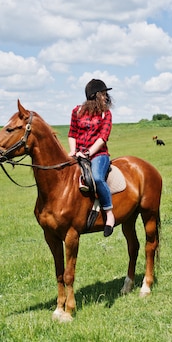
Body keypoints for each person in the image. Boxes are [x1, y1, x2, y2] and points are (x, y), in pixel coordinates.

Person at [68, 79, 116, 236]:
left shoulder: (106, 113)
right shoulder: (77, 111)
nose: (106, 97)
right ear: (96, 95)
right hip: (78, 152)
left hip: (99, 154)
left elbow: (103, 137)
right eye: (103, 94)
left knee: (97, 178)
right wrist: (73, 151)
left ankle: (109, 214)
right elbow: (72, 133)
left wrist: (89, 152)